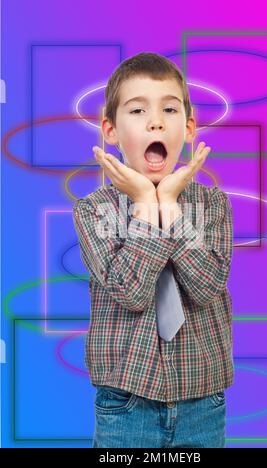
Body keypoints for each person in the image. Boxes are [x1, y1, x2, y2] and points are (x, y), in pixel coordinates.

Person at [73, 52, 234, 448]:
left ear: (189, 126)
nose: (156, 121)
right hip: (125, 403)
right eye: (138, 109)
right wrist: (146, 205)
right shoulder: (94, 210)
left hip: (203, 402)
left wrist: (171, 210)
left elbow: (206, 287)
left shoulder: (213, 205)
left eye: (169, 109)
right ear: (110, 130)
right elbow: (131, 292)